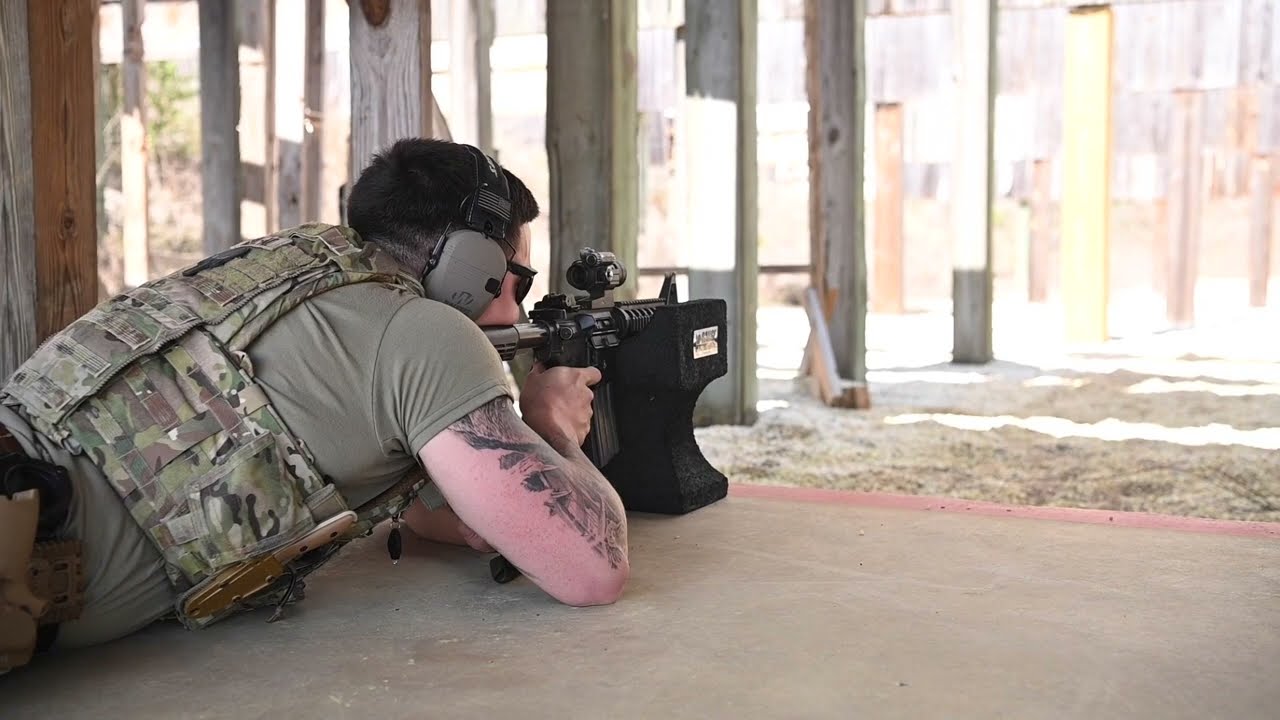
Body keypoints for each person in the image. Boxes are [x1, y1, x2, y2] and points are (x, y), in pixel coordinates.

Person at [0, 138, 629, 672]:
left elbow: (437, 515)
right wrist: (553, 429)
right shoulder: (427, 332)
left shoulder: (286, 275)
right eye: (520, 280)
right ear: (473, 265)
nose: (519, 309)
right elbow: (590, 571)